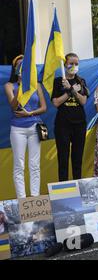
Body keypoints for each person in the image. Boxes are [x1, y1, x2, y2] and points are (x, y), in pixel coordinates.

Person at [4, 55, 47, 198]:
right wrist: (21, 86)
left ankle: (35, 197)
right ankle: (22, 199)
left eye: (24, 64)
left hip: (35, 127)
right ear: (15, 69)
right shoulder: (9, 86)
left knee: (34, 165)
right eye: (18, 65)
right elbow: (13, 105)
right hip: (18, 129)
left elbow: (44, 107)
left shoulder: (37, 85)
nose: (21, 66)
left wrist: (30, 113)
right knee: (19, 165)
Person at [52, 53, 89, 182]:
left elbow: (83, 101)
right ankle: (64, 190)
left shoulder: (81, 81)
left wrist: (72, 90)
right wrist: (69, 91)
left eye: (76, 64)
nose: (74, 66)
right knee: (63, 159)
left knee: (77, 159)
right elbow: (56, 103)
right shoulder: (58, 81)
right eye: (71, 63)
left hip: (79, 124)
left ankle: (78, 186)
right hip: (63, 125)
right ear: (65, 64)